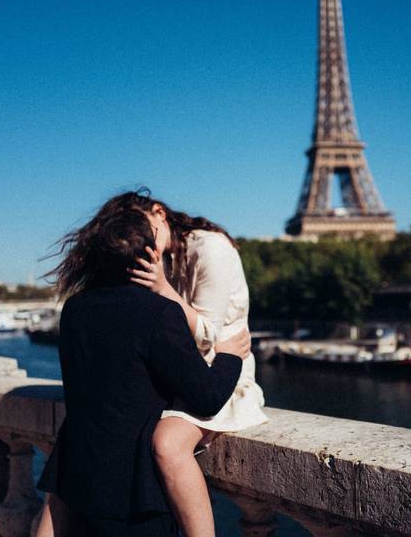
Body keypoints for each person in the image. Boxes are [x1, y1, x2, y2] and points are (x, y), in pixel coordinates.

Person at [35, 193, 252, 536]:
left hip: (81, 480)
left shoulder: (75, 309)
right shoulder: (158, 313)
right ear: (149, 252)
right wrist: (230, 355)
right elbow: (206, 396)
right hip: (131, 494)